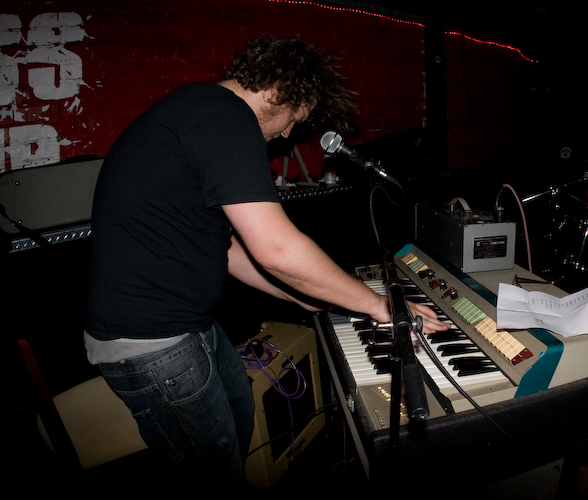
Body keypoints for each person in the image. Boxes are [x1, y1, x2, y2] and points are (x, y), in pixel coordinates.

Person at [83, 37, 448, 488]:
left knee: (240, 415)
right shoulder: (224, 117)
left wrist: (298, 296)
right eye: (296, 117)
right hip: (152, 341)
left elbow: (227, 250)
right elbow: (276, 248)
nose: (290, 133)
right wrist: (378, 305)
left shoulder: (202, 112)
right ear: (277, 90)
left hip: (186, 326)